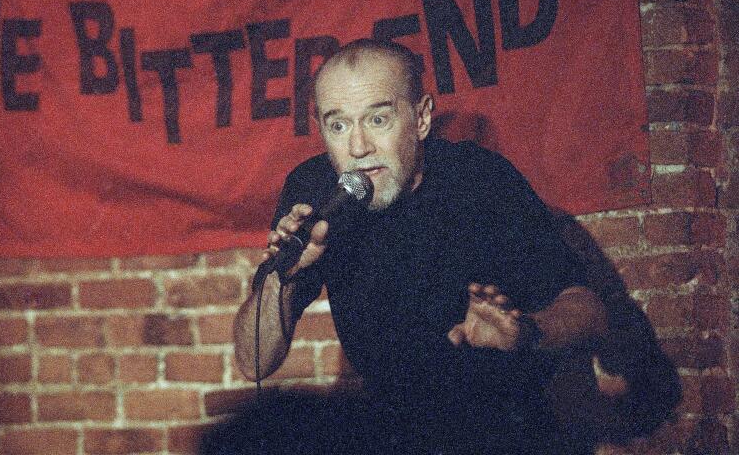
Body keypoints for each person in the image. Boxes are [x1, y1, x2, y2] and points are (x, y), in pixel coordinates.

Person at [233, 39, 608, 454]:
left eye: (378, 120)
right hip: (394, 434)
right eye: (338, 126)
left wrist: (526, 332)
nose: (358, 148)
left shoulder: (481, 180)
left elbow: (588, 309)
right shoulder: (315, 192)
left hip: (506, 431)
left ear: (422, 118)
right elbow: (254, 362)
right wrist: (282, 280)